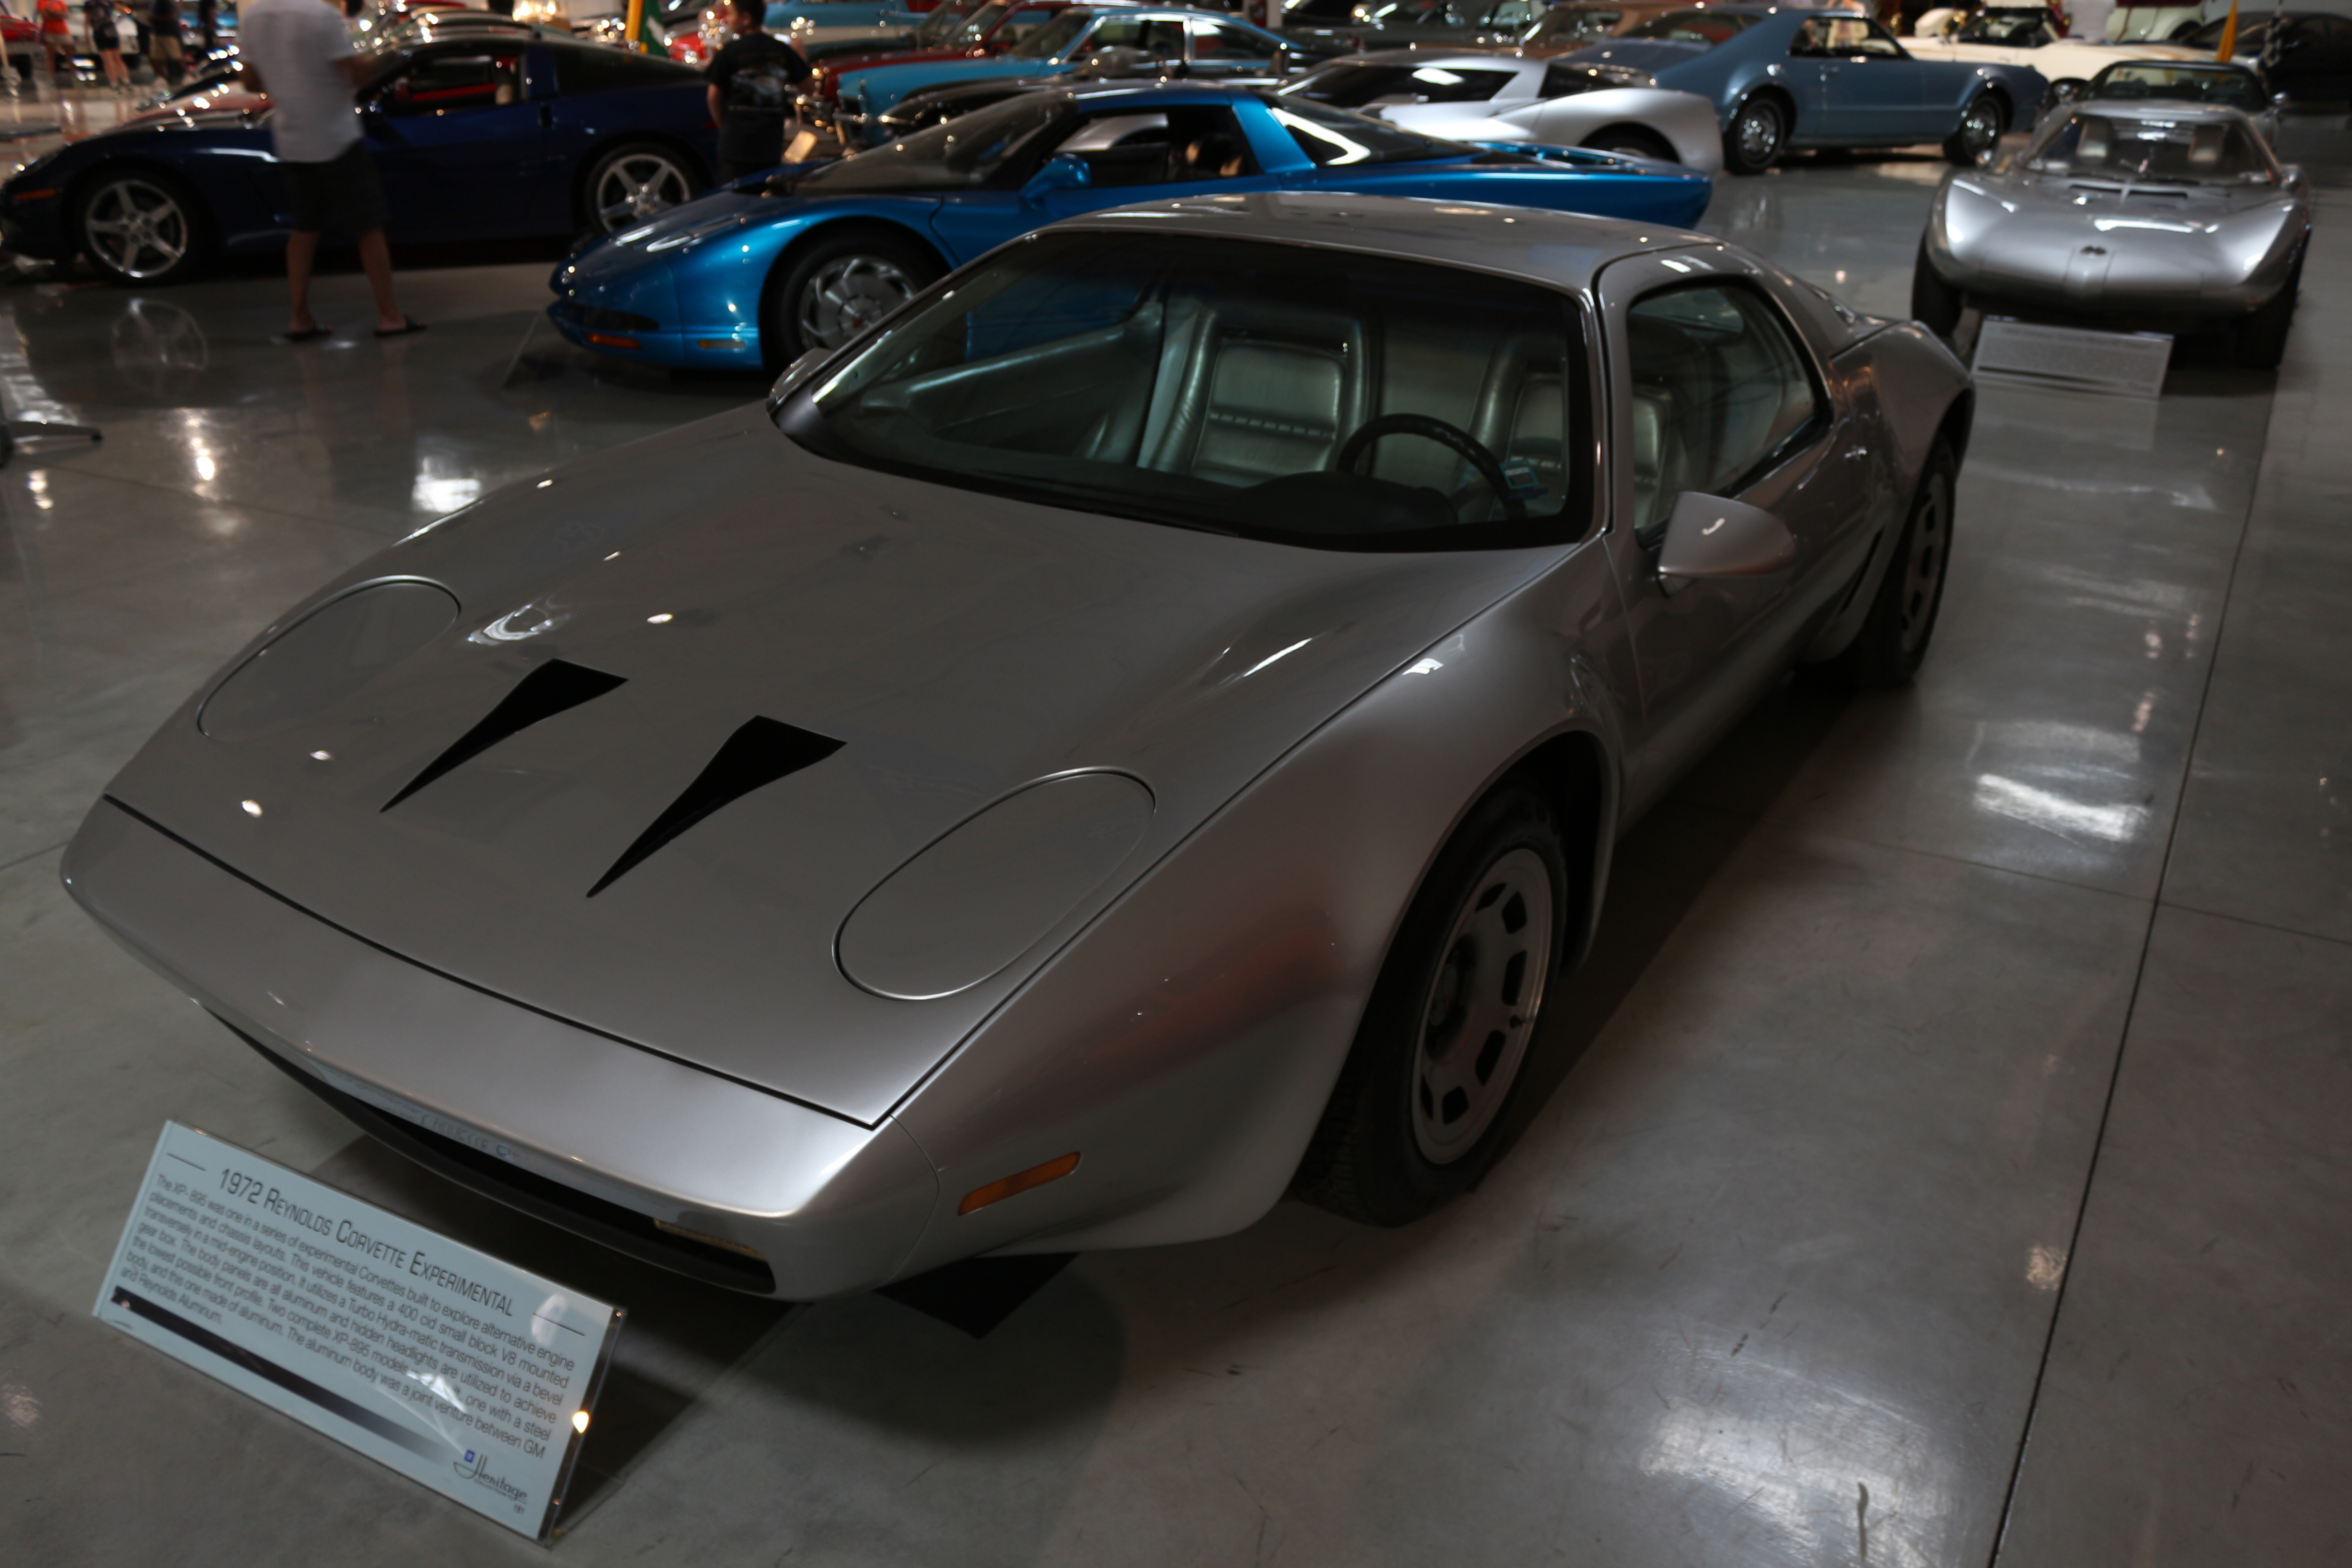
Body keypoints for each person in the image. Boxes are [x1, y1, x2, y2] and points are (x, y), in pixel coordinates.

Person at [238, 0, 419, 340]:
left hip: (292, 139)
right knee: (368, 226)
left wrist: (286, 79)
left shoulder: (255, 16)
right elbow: (355, 72)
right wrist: (381, 61)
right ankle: (390, 315)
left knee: (305, 230)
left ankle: (300, 318)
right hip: (337, 137)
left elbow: (249, 80)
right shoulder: (320, 15)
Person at [704, 0, 810, 183]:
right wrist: (800, 55)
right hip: (769, 143)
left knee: (735, 197)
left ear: (746, 18)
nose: (728, 20)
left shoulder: (731, 51)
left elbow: (713, 97)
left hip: (735, 142)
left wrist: (724, 126)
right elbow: (809, 87)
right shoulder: (780, 50)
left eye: (731, 14)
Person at [86, 0, 129, 88]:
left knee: (108, 60)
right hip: (110, 31)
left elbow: (87, 20)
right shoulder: (108, 2)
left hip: (100, 32)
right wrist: (116, 22)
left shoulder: (90, 4)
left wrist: (87, 34)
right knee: (116, 58)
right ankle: (125, 80)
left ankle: (115, 82)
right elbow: (124, 11)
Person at [147, 0, 185, 83]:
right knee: (156, 58)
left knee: (177, 57)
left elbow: (171, 16)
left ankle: (186, 75)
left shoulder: (165, 2)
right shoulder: (156, 3)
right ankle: (165, 78)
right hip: (158, 32)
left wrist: (154, 19)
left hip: (169, 32)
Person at [37, 0, 71, 82]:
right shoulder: (42, 2)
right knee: (51, 55)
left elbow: (66, 15)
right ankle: (50, 77)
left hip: (63, 31)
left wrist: (52, 12)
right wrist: (59, 15)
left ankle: (74, 74)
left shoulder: (60, 2)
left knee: (70, 54)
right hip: (49, 32)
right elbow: (45, 16)